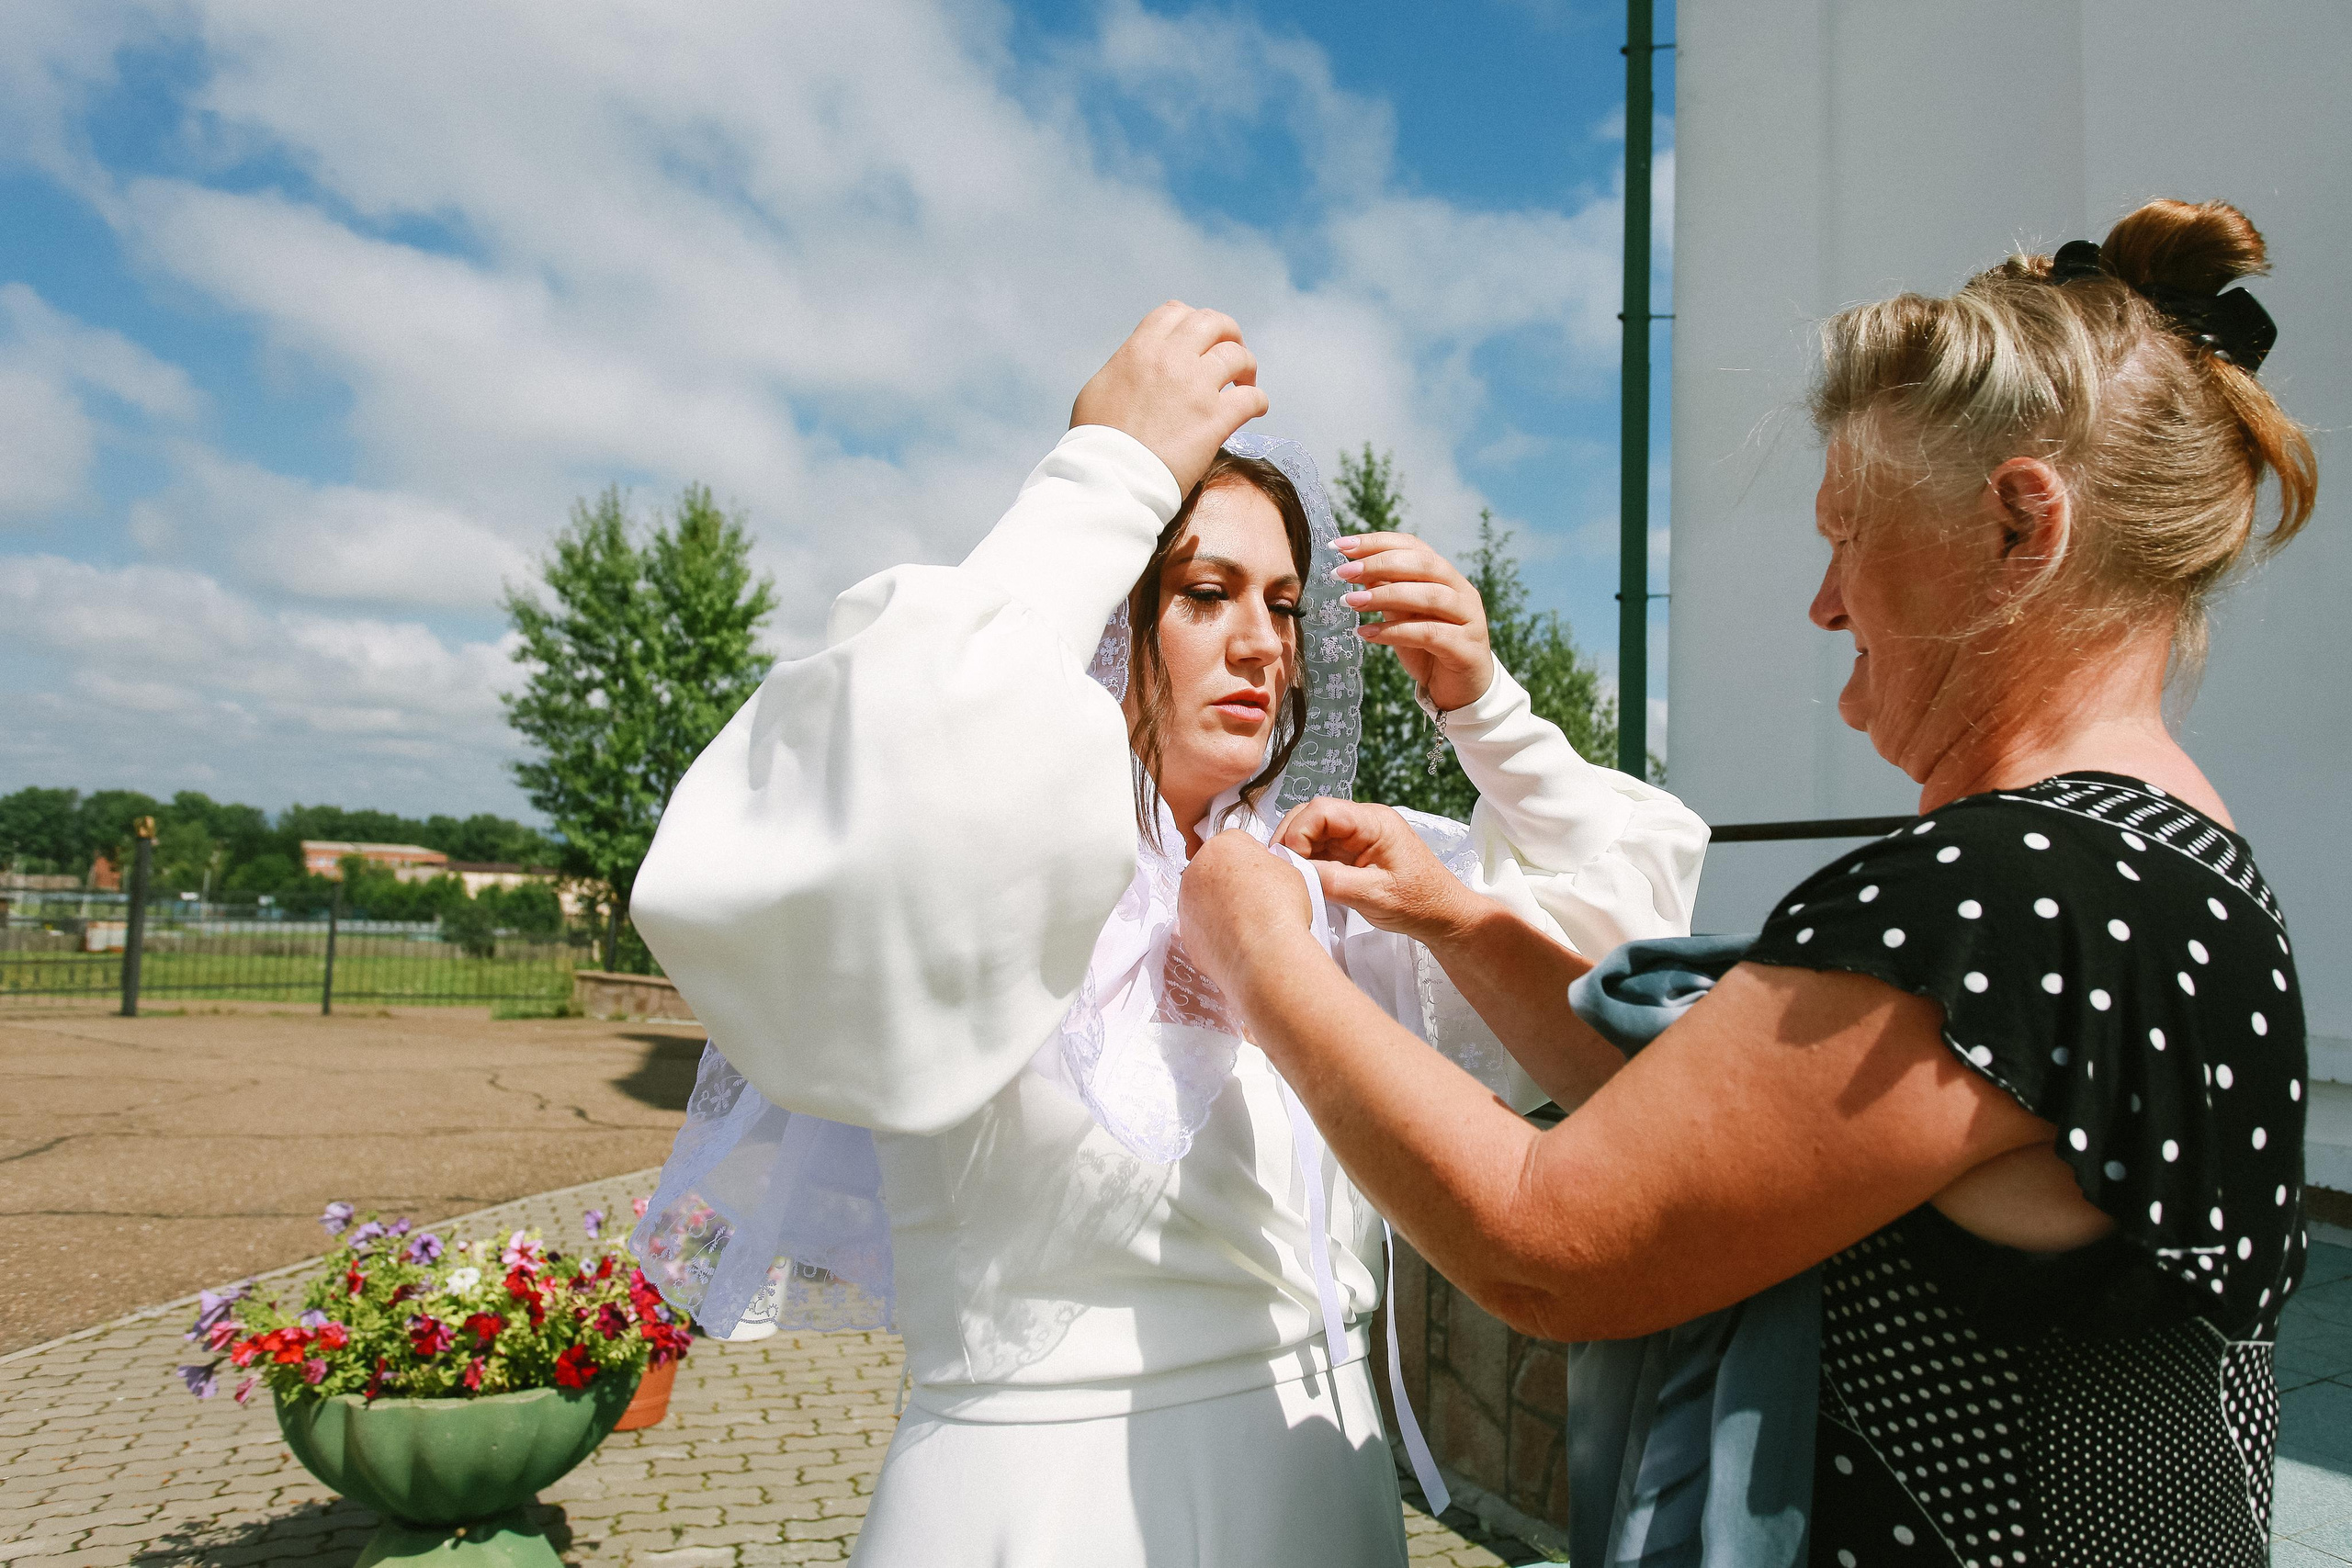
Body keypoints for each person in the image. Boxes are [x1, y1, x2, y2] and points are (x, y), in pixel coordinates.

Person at [1178, 198, 2317, 1568]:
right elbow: (1714, 1135)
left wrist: (1262, 954)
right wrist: (1459, 918)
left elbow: (1552, 1240)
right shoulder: (2171, 862)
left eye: (1848, 533)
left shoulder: (2005, 900)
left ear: (2023, 530)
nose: (1826, 603)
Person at [623, 302, 1709, 1567]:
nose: (1263, 643)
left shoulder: (1334, 882)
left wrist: (1493, 715)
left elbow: (1620, 989)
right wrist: (1103, 478)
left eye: (1288, 604)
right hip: (1037, 1510)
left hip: (1322, 1488)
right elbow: (847, 807)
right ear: (1104, 620)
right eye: (1204, 593)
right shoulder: (988, 870)